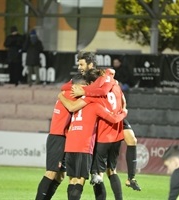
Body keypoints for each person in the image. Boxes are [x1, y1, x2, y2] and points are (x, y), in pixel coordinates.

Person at [66, 52, 141, 191]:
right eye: (78, 64)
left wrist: (85, 91)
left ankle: (131, 178)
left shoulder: (101, 76)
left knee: (132, 140)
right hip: (97, 120)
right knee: (100, 171)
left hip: (111, 114)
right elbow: (67, 88)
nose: (79, 67)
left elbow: (105, 88)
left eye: (81, 64)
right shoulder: (79, 79)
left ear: (91, 64)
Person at [58, 68, 127, 200]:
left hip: (70, 144)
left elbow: (71, 106)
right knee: (82, 181)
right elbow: (113, 118)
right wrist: (124, 111)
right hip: (85, 146)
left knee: (72, 180)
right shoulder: (95, 102)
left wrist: (61, 95)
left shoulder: (73, 99)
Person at [35, 74, 80, 200]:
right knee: (51, 172)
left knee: (60, 176)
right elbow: (74, 106)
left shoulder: (66, 91)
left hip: (65, 137)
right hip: (58, 136)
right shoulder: (70, 94)